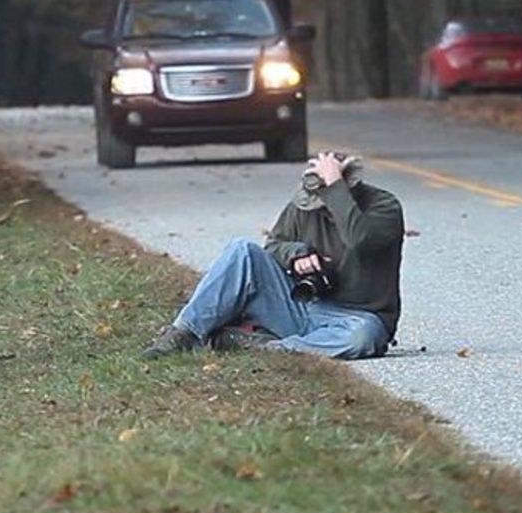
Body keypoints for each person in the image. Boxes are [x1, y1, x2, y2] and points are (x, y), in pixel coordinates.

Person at [142, 152, 404, 360]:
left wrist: (334, 187)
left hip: (357, 318)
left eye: (326, 203)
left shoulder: (384, 207)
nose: (319, 211)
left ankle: (266, 347)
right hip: (302, 305)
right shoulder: (302, 208)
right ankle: (184, 333)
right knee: (242, 251)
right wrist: (296, 254)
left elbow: (360, 240)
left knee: (362, 339)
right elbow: (274, 244)